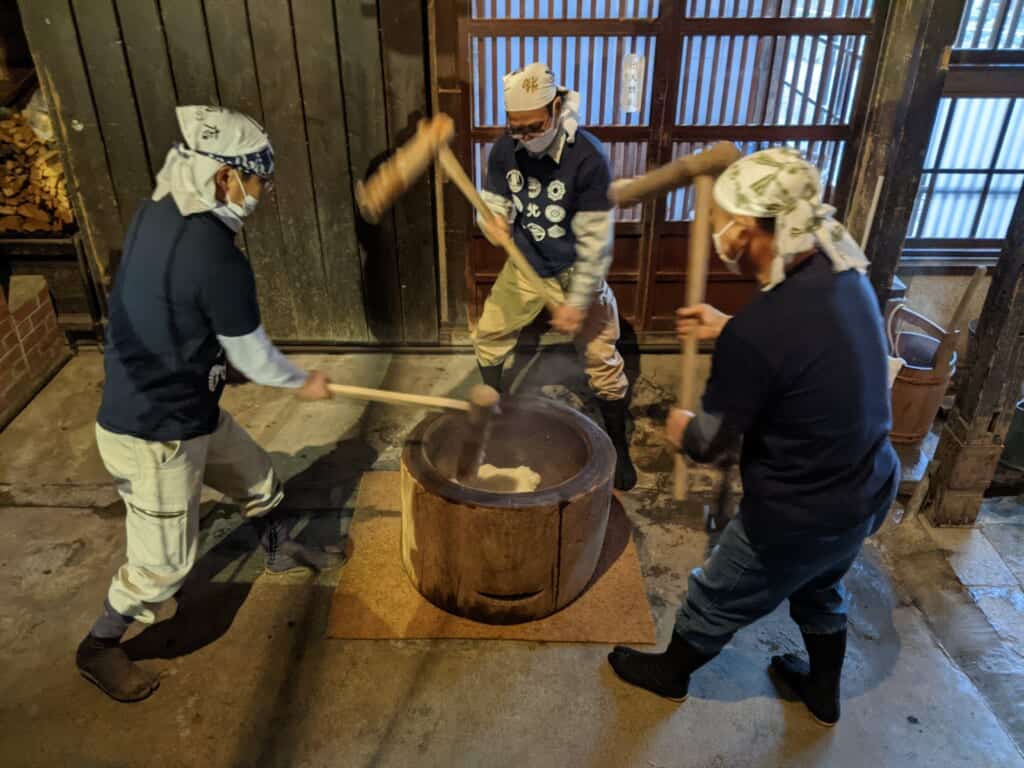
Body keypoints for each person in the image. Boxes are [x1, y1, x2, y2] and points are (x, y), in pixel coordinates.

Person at [607, 148, 898, 726]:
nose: (716, 232)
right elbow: (806, 346)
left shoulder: (762, 332)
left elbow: (712, 444)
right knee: (820, 585)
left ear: (749, 230)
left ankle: (669, 676)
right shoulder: (843, 267)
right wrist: (730, 327)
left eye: (720, 220)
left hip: (801, 508)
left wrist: (680, 426)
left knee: (717, 591)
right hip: (868, 484)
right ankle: (821, 692)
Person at [77, 106, 344, 703]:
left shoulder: (160, 210)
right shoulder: (219, 259)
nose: (263, 192)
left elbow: (183, 314)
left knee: (256, 475)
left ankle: (275, 552)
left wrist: (213, 360)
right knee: (162, 569)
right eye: (257, 179)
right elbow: (254, 360)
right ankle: (99, 645)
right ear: (226, 177)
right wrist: (303, 380)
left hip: (186, 400)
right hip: (154, 430)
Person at [475, 62, 637, 491]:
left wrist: (579, 300)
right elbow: (492, 202)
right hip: (525, 265)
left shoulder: (588, 157)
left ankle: (619, 446)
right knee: (489, 335)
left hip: (576, 266)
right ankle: (494, 418)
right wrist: (490, 220)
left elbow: (596, 243)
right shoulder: (504, 150)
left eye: (534, 126)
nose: (526, 136)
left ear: (557, 106)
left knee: (602, 361)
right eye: (516, 128)